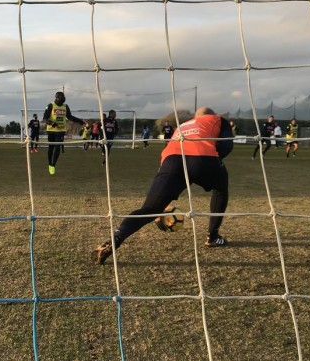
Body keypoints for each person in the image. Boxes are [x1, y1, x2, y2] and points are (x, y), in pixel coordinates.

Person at [95, 107, 233, 265]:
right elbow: (226, 145)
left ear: (196, 116)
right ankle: (213, 236)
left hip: (171, 160)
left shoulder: (184, 125)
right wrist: (212, 163)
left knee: (148, 209)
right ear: (211, 115)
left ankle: (117, 236)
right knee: (221, 189)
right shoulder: (216, 119)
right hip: (203, 157)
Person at [42, 91, 84, 175]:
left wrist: (80, 121)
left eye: (63, 98)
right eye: (60, 98)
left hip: (61, 130)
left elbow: (70, 117)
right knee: (51, 148)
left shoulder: (65, 106)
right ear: (56, 98)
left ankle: (53, 165)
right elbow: (45, 119)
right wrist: (51, 123)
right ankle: (50, 164)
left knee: (58, 146)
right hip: (51, 130)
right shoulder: (50, 105)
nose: (62, 100)